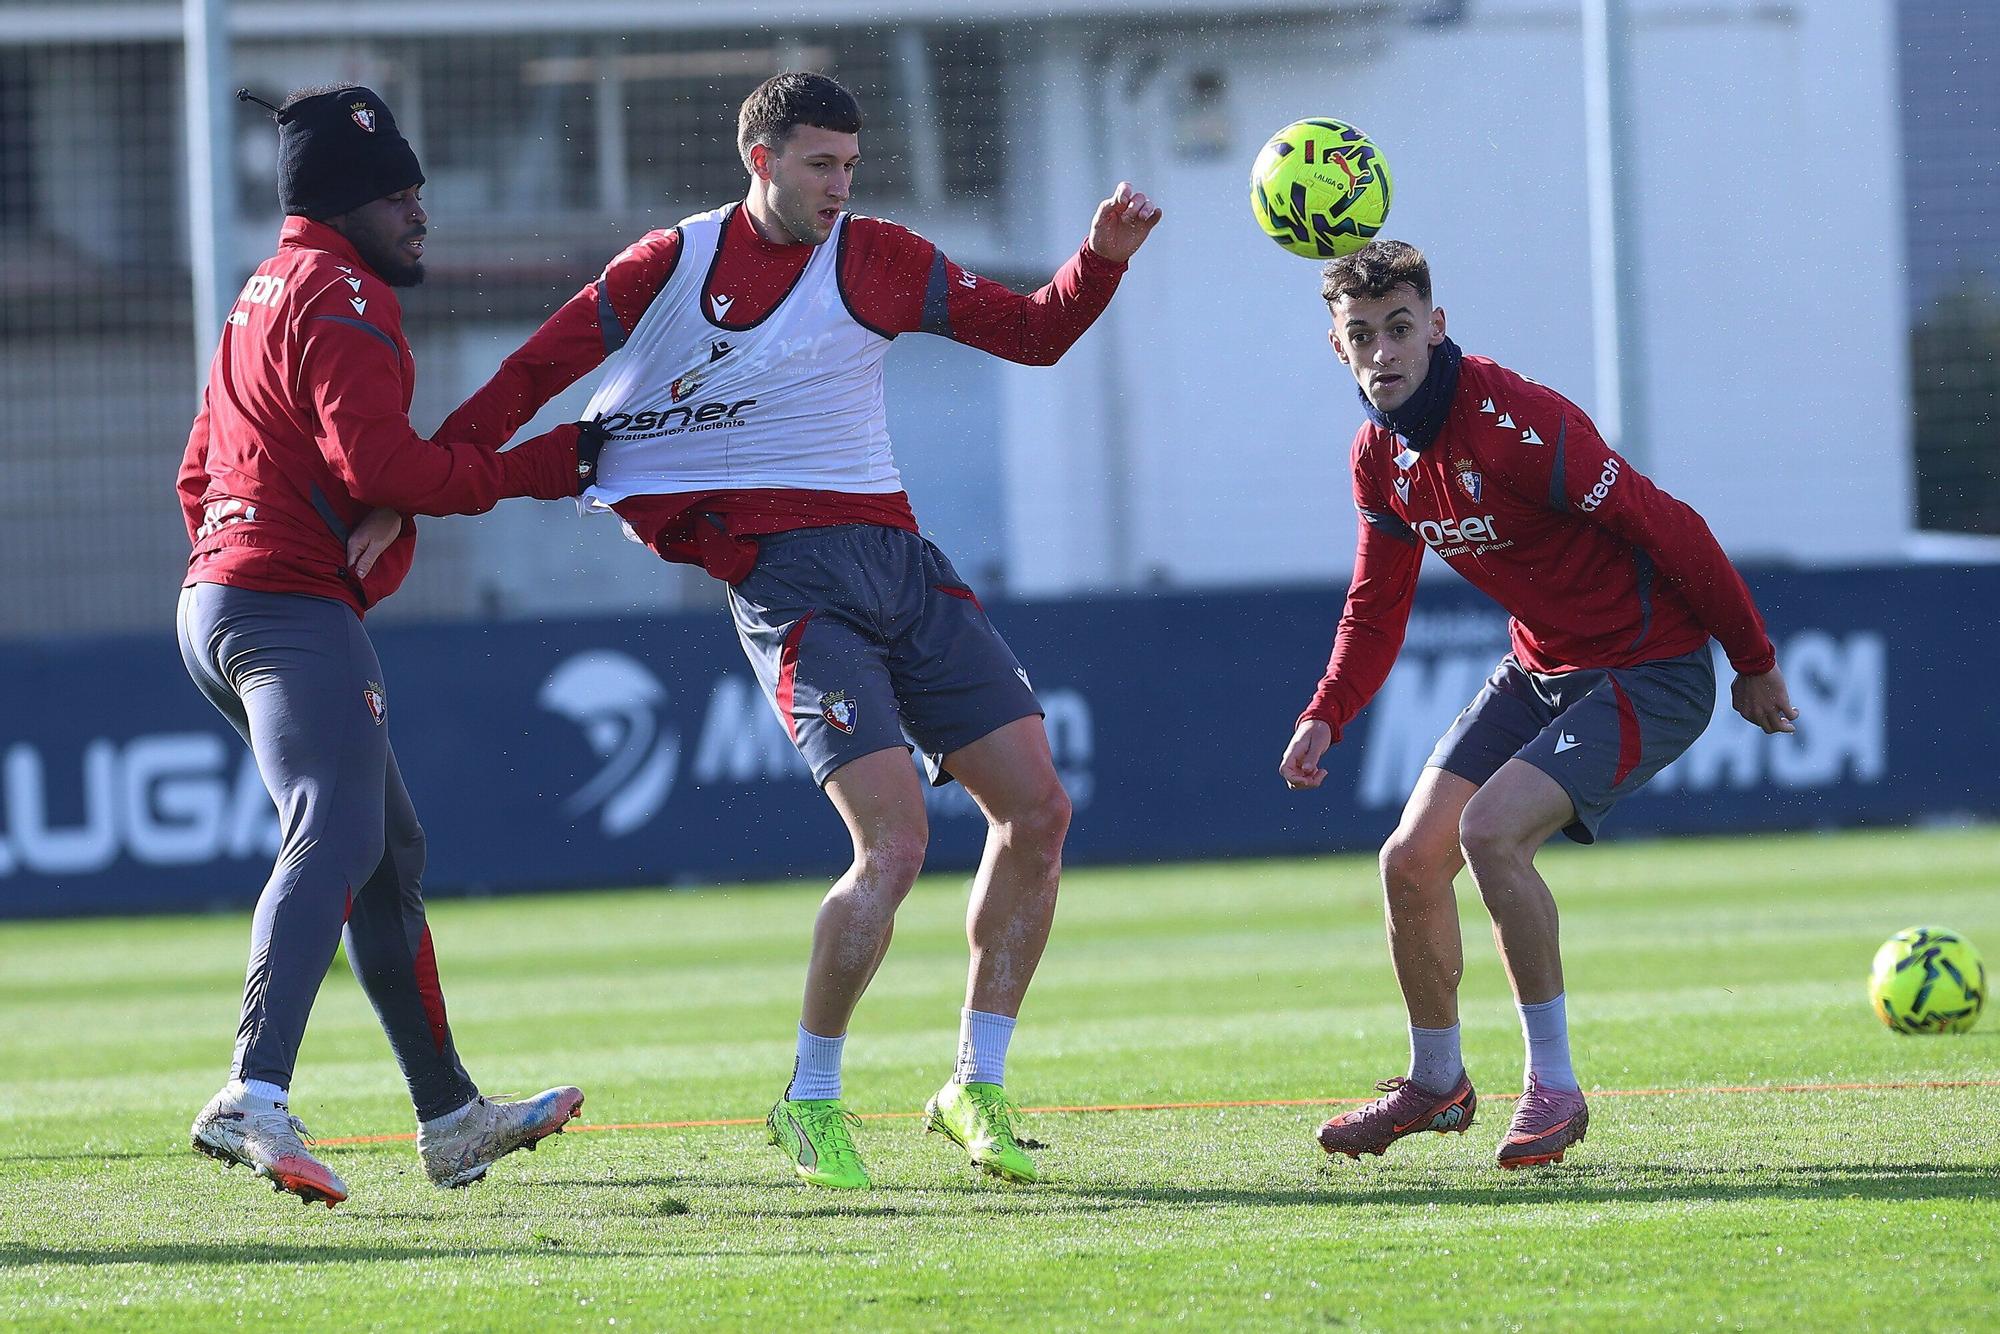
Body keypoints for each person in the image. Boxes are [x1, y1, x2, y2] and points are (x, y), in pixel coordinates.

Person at [439, 72, 1161, 1189]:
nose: (840, 186)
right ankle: (810, 1098)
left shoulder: (873, 255)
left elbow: (1035, 334)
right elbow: (532, 376)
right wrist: (428, 472)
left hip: (900, 564)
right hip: (794, 588)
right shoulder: (667, 264)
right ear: (760, 159)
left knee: (1039, 807)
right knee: (895, 845)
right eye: (820, 164)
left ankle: (973, 1083)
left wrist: (1100, 257)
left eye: (851, 166)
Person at [1278, 240, 1797, 1168]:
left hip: (1654, 668)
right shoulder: (1377, 459)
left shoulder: (1520, 422)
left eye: (1401, 328)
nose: (1385, 351)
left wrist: (1752, 659)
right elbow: (1377, 602)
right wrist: (1328, 709)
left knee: (1489, 832)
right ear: (1337, 348)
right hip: (1541, 668)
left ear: (1436, 329)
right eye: (1363, 336)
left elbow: (1669, 524)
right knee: (1408, 861)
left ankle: (1554, 1089)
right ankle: (1436, 1085)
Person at [177, 85, 601, 1206]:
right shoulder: (347, 293)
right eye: (398, 194)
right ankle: (251, 1091)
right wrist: (535, 466)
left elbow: (196, 471)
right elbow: (377, 469)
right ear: (343, 202)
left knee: (383, 851)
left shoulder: (260, 291)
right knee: (337, 826)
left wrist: (263, 549)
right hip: (283, 607)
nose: (420, 212)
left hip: (220, 601)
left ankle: (451, 1115)